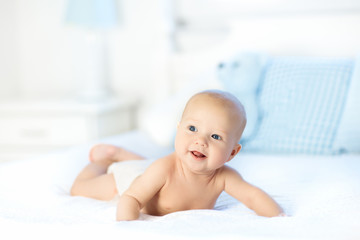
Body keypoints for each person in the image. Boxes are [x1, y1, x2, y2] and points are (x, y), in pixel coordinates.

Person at [71, 90, 284, 221]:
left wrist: (281, 218)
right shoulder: (164, 169)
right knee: (79, 189)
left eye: (216, 136)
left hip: (147, 171)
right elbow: (132, 198)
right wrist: (129, 229)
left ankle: (121, 154)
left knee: (145, 166)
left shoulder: (225, 177)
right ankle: (106, 160)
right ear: (178, 128)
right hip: (128, 183)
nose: (201, 141)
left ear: (232, 152)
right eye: (192, 129)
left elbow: (253, 196)